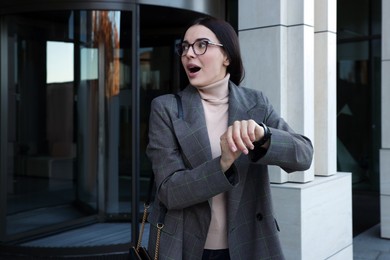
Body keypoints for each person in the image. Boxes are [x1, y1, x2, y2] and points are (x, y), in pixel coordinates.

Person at [146, 16, 313, 260]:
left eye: (201, 45)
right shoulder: (166, 109)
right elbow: (170, 192)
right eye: (184, 47)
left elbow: (304, 155)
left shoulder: (256, 104)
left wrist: (264, 136)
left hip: (249, 242)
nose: (189, 54)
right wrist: (223, 164)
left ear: (227, 56)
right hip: (185, 246)